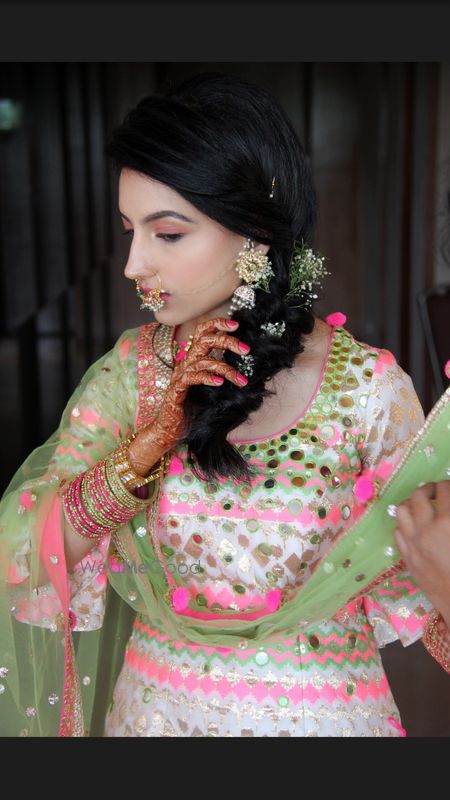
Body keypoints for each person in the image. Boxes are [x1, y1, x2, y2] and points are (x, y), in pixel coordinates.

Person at [0, 71, 449, 738]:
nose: (133, 265)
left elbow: (435, 601)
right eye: (129, 230)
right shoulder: (130, 375)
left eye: (167, 234)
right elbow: (24, 558)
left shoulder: (369, 390)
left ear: (254, 233)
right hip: (153, 720)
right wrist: (149, 444)